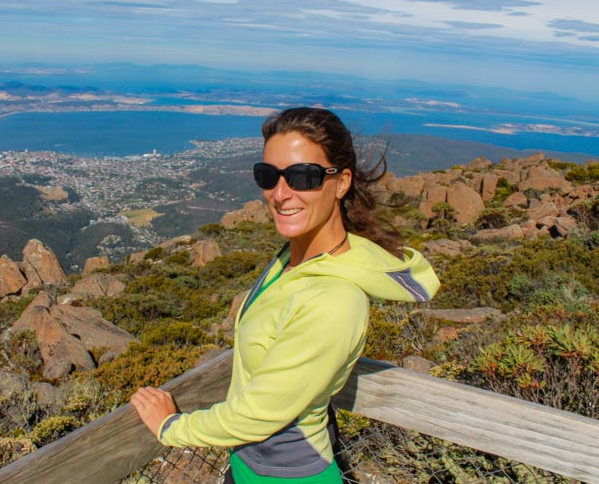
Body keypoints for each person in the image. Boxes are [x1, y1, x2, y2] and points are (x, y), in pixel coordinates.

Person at [131, 107, 440, 483]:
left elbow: (258, 413)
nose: (280, 193)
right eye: (269, 176)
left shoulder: (335, 300)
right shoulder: (292, 259)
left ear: (342, 182)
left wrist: (171, 426)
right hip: (251, 465)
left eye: (303, 177)